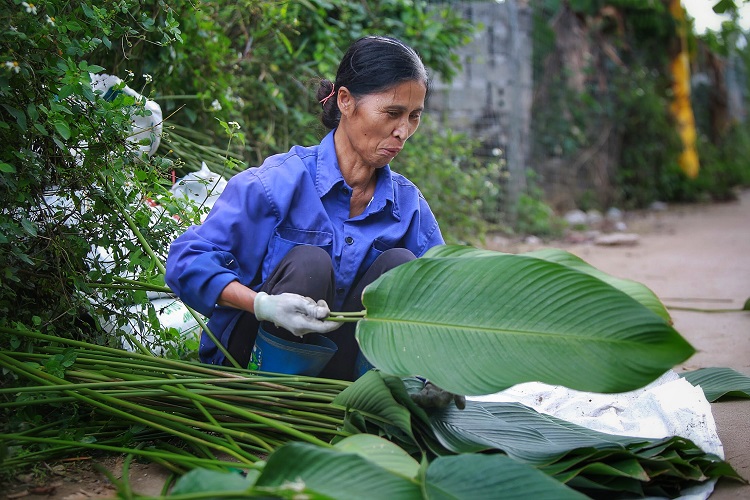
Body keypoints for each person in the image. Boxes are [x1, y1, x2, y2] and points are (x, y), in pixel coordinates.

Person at [165, 35, 446, 385]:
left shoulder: (408, 206)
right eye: (392, 113)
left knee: (402, 267)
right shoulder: (275, 184)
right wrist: (262, 305)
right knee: (309, 264)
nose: (403, 131)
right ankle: (270, 413)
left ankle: (369, 407)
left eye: (414, 117)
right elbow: (185, 263)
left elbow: (444, 293)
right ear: (346, 101)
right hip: (250, 367)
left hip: (345, 371)